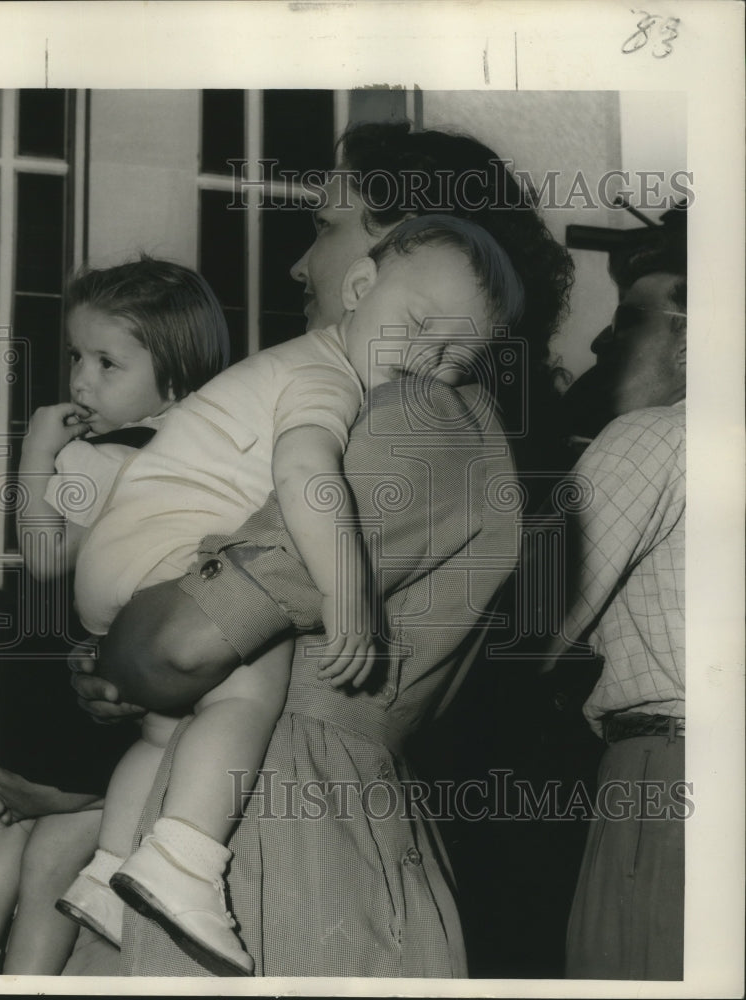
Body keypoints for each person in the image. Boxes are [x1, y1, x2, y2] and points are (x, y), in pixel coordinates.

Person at [64, 119, 575, 978]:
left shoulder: (414, 412)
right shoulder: (399, 404)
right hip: (256, 797)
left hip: (281, 824)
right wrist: (117, 659)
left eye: (325, 226)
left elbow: (179, 644)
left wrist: (125, 654)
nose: (300, 265)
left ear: (405, 242)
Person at [0, 257, 229, 975]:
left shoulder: (102, 460)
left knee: (4, 845)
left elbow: (43, 557)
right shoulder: (198, 458)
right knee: (50, 871)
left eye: (106, 363)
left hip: (50, 700)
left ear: (175, 377)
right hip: (121, 707)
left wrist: (37, 451)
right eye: (76, 356)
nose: (81, 381)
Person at [542, 245, 687, 979]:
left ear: (693, 340)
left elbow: (527, 628)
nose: (602, 340)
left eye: (629, 320)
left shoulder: (652, 436)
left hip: (667, 782)